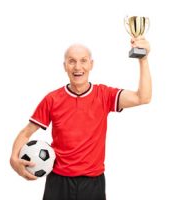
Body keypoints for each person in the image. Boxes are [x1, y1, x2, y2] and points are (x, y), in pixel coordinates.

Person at [10, 37, 152, 200]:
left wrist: (143, 59)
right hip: (58, 182)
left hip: (92, 184)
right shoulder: (52, 99)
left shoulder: (104, 95)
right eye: (72, 61)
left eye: (83, 61)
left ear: (91, 64)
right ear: (65, 66)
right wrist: (14, 159)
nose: (78, 67)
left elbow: (143, 97)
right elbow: (26, 133)